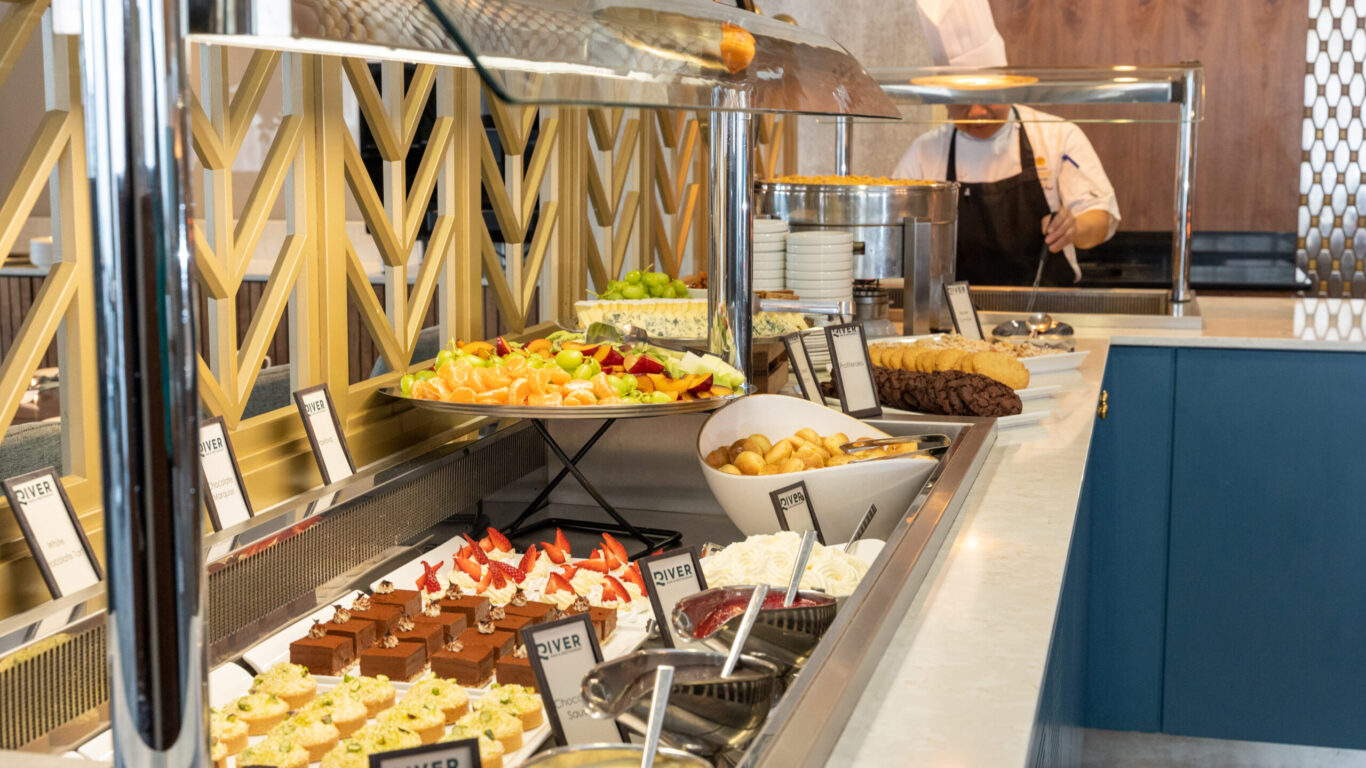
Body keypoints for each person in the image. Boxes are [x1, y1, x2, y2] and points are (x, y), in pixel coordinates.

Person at [894, 0, 1121, 286]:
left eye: (988, 96)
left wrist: (1074, 228)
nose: (977, 112)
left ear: (1006, 86)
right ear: (944, 98)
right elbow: (894, 233)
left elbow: (1101, 220)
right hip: (956, 316)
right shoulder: (924, 153)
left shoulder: (1057, 135)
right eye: (962, 101)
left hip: (1046, 314)